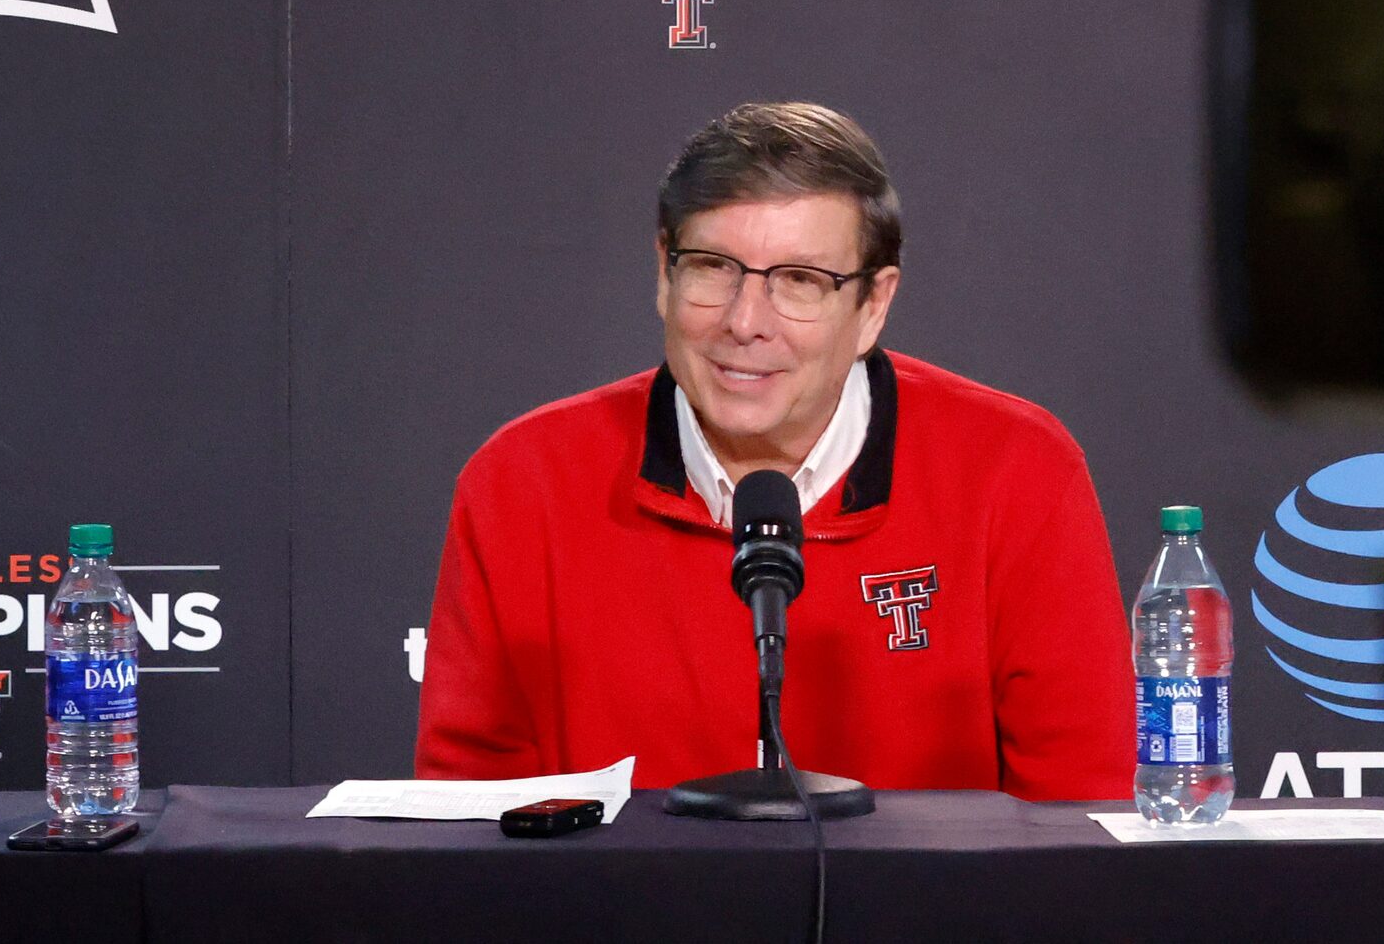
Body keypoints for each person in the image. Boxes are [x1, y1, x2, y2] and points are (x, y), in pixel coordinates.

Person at [415, 102, 1133, 799]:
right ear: (664, 273)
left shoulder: (1017, 471)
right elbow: (471, 834)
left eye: (800, 281)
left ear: (873, 306)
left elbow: (1082, 823)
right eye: (712, 267)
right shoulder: (521, 484)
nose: (746, 322)